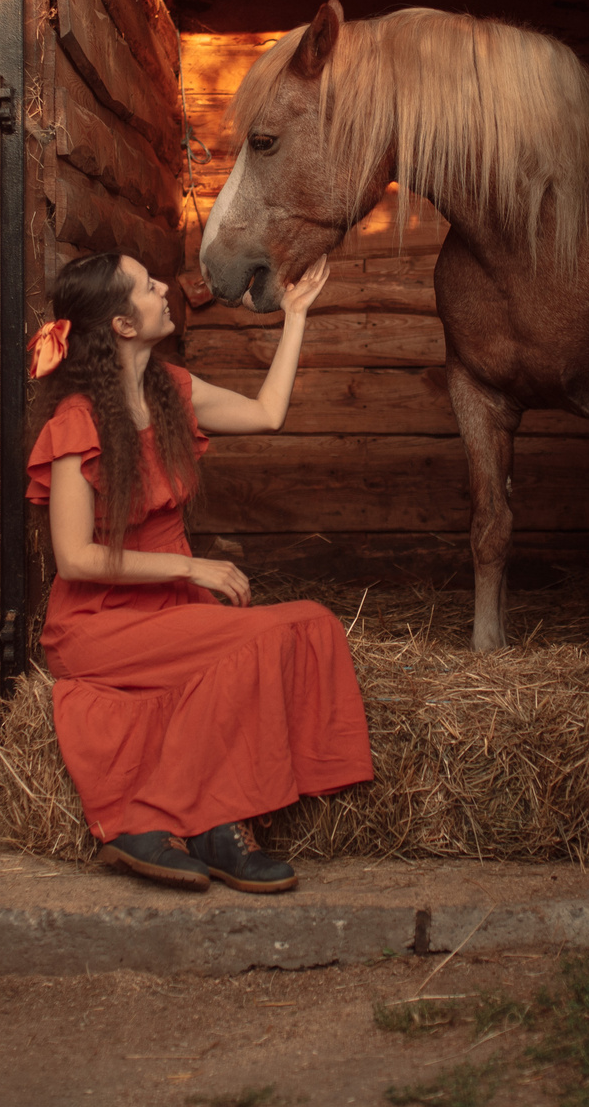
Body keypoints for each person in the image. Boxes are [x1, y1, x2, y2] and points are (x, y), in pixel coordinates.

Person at [25, 250, 373, 894]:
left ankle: (210, 824)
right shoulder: (76, 423)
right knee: (263, 639)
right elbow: (75, 557)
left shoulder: (173, 390)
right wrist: (191, 566)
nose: (165, 290)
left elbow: (268, 413)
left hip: (171, 611)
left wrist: (294, 318)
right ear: (124, 326)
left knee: (313, 625)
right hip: (99, 624)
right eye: (150, 286)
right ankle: (167, 820)